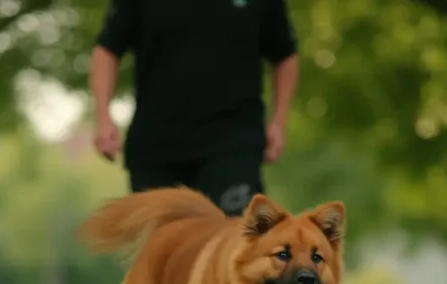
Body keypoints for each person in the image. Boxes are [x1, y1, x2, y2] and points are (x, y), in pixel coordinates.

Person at [90, 0, 300, 216]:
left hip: (234, 142)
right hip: (157, 147)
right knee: (163, 246)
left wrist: (278, 123)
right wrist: (104, 117)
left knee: (233, 239)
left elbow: (285, 56)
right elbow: (107, 50)